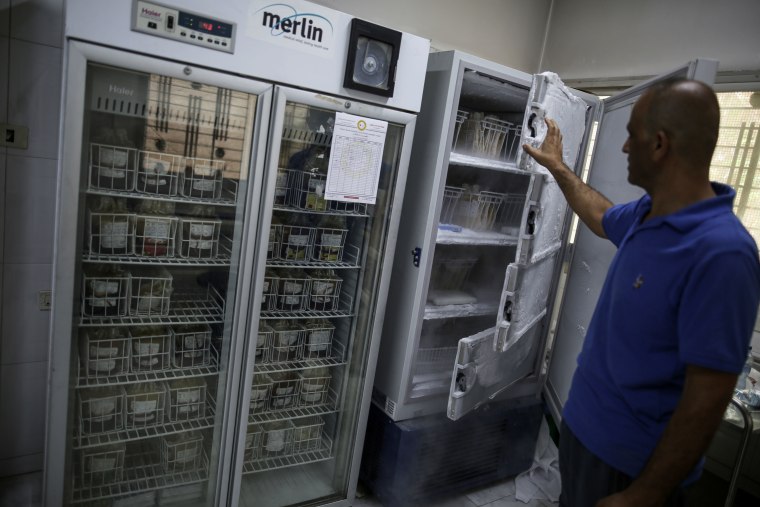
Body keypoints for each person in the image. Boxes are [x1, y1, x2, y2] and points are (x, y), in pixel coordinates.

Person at [523, 79, 760, 507]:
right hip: (584, 435)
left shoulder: (723, 252)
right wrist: (558, 167)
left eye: (632, 134)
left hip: (628, 465)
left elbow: (708, 396)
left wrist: (645, 495)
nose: (624, 146)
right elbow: (600, 213)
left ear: (660, 145)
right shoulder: (647, 214)